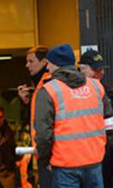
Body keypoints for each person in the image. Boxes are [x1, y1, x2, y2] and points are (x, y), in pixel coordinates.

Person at [35, 44, 113, 188]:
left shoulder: (48, 91)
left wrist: (45, 160)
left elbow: (43, 135)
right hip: (94, 163)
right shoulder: (96, 87)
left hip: (65, 166)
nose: (47, 68)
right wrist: (101, 151)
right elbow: (109, 124)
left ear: (56, 65)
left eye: (49, 64)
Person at [16, 45, 51, 187]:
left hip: (50, 151)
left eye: (31, 61)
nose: (27, 65)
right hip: (44, 149)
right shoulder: (38, 84)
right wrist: (27, 102)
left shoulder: (48, 82)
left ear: (43, 62)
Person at [79, 50, 113, 188]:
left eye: (102, 69)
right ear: (81, 69)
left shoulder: (108, 92)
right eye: (96, 69)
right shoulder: (71, 92)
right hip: (82, 157)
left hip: (106, 156)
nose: (101, 73)